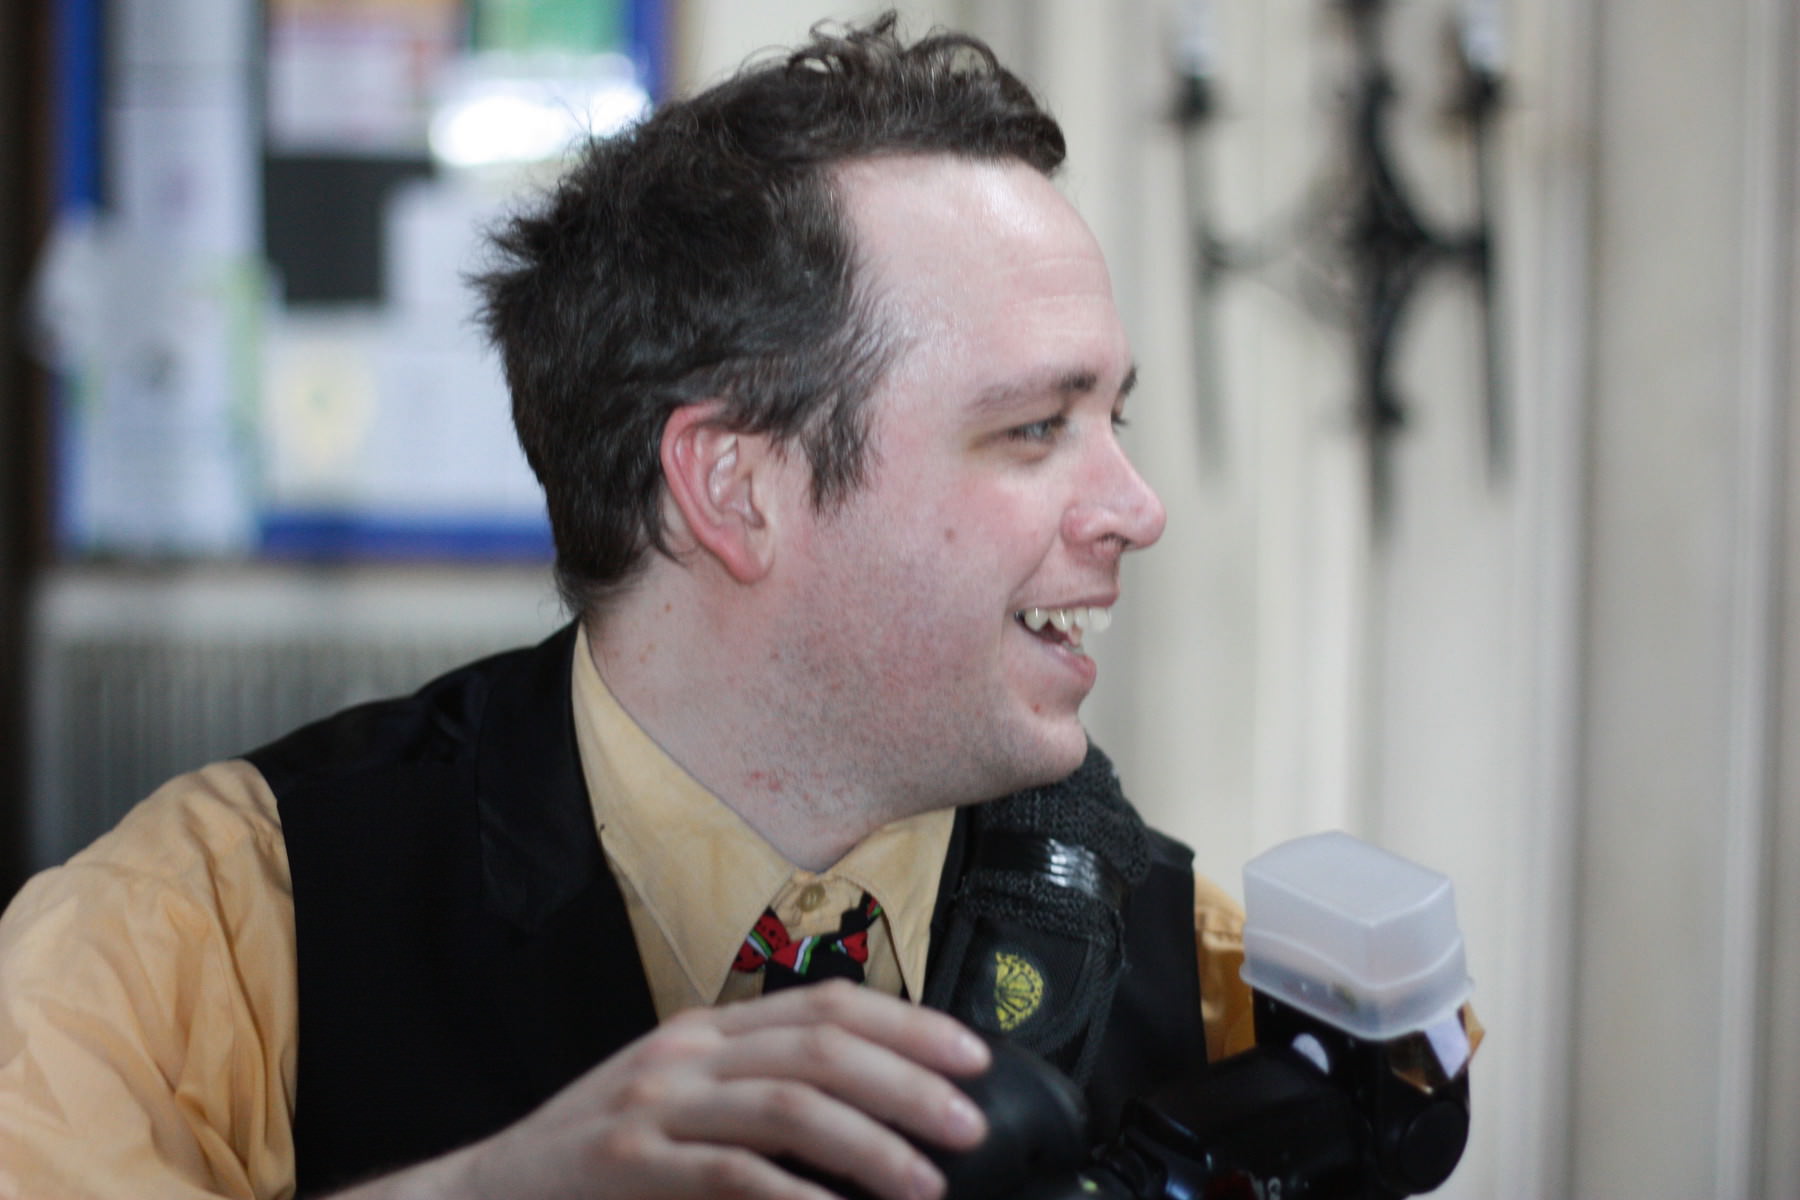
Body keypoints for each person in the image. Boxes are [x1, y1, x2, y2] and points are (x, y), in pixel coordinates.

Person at [0, 14, 1252, 1200]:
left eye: (1114, 418)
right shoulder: (219, 918)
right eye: (1033, 428)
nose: (1137, 508)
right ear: (734, 487)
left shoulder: (1211, 981)